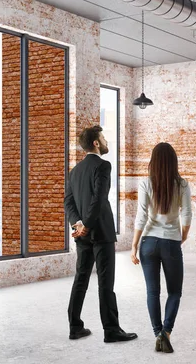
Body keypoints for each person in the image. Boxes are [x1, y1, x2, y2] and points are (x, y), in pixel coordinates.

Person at [64, 125, 137, 343]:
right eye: (103, 138)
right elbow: (99, 197)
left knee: (81, 280)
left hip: (82, 235)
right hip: (101, 232)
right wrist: (86, 223)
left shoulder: (74, 171)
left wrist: (78, 224)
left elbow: (68, 202)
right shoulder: (104, 166)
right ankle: (111, 330)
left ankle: (75, 327)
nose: (106, 141)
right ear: (96, 142)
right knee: (106, 283)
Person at [131, 142, 192, 354]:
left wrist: (134, 245)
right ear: (173, 162)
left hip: (148, 242)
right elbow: (187, 214)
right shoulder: (182, 184)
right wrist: (181, 236)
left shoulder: (146, 183)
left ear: (153, 162)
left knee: (152, 292)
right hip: (171, 243)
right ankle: (166, 333)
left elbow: (141, 216)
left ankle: (157, 333)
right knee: (175, 291)